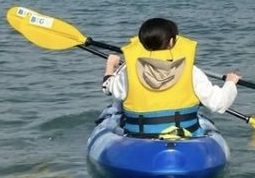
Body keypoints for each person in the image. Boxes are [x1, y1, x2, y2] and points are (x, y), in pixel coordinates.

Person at [101, 17, 241, 138]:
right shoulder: (191, 71)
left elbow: (108, 88)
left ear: (142, 42)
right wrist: (230, 83)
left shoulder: (128, 71)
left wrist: (110, 65)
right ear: (172, 42)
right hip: (185, 137)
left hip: (139, 137)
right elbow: (218, 103)